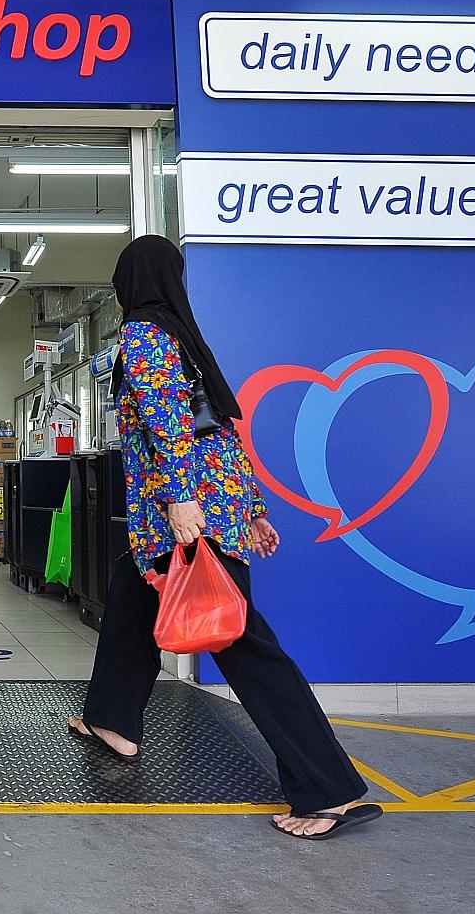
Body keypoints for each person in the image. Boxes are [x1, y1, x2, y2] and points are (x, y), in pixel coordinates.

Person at [67, 235, 382, 842]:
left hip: (182, 514)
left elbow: (169, 426)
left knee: (243, 645)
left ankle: (326, 790)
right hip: (202, 509)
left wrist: (183, 500)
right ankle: (112, 720)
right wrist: (252, 509)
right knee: (130, 601)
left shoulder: (143, 338)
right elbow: (223, 432)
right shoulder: (184, 337)